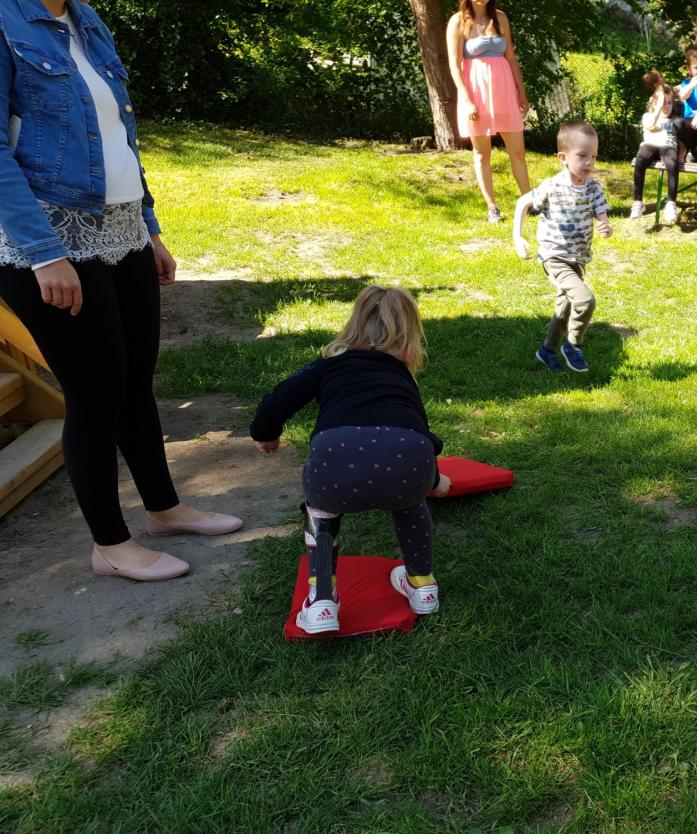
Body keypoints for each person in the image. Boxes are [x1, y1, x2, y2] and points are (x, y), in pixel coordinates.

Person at [0, 0, 241, 583]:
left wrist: (149, 229)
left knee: (135, 383)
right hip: (49, 241)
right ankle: (109, 544)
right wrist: (45, 254)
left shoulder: (86, 20)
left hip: (123, 229)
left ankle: (164, 510)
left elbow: (118, 134)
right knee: (95, 395)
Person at [250, 286, 449, 636]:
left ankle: (322, 601)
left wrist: (265, 433)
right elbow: (415, 432)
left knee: (321, 511)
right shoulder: (401, 376)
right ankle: (423, 586)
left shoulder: (329, 365)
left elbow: (279, 399)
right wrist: (433, 480)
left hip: (336, 458)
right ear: (409, 345)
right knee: (409, 499)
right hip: (408, 459)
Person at [513, 121, 612, 374]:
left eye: (594, 156)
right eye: (582, 156)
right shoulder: (552, 186)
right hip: (554, 256)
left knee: (565, 307)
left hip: (578, 257)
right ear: (563, 158)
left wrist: (605, 226)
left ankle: (546, 351)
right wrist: (518, 237)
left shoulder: (593, 188)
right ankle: (573, 345)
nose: (589, 163)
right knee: (585, 300)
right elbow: (523, 202)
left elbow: (602, 214)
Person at [446, 0, 531, 224]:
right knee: (482, 152)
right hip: (475, 93)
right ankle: (492, 207)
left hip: (504, 91)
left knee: (518, 151)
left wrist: (521, 92)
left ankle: (529, 201)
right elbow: (455, 64)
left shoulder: (500, 18)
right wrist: (467, 99)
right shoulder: (457, 22)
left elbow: (510, 57)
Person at [630, 71, 681, 225]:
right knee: (640, 160)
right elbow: (651, 125)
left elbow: (678, 90)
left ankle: (671, 204)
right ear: (653, 103)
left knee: (672, 163)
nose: (666, 106)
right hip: (651, 144)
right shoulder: (648, 116)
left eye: (669, 103)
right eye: (662, 102)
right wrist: (658, 105)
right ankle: (638, 202)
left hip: (667, 146)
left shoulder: (675, 120)